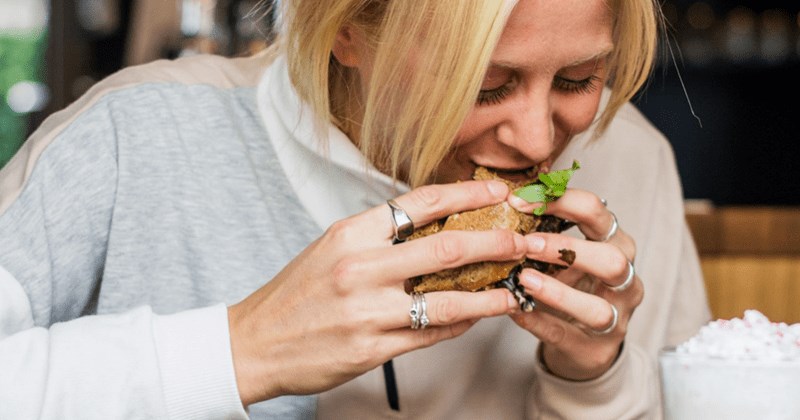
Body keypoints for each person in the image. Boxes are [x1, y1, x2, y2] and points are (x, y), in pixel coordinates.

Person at [0, 0, 711, 418]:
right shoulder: (137, 137)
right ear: (346, 28)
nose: (536, 139)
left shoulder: (633, 161)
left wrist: (593, 376)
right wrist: (241, 347)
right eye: (487, 85)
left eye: (581, 80)